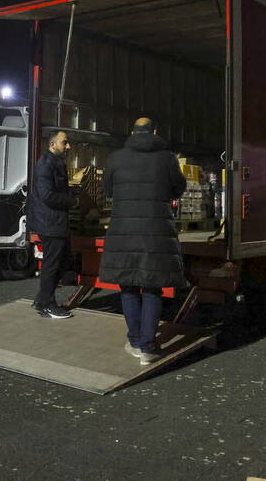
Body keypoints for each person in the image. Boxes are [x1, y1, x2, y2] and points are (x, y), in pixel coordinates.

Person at [99, 118, 186, 365]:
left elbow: (107, 190)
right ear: (155, 132)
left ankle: (135, 341)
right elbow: (179, 188)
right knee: (152, 287)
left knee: (128, 286)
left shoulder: (116, 158)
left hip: (124, 230)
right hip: (156, 231)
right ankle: (148, 348)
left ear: (132, 132)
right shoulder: (167, 158)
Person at [27, 129, 76, 319]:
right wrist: (73, 201)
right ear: (52, 144)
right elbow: (47, 195)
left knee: (61, 263)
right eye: (65, 142)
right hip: (50, 223)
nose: (68, 146)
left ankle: (41, 299)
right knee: (52, 264)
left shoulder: (55, 162)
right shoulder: (46, 163)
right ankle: (47, 305)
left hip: (55, 222)